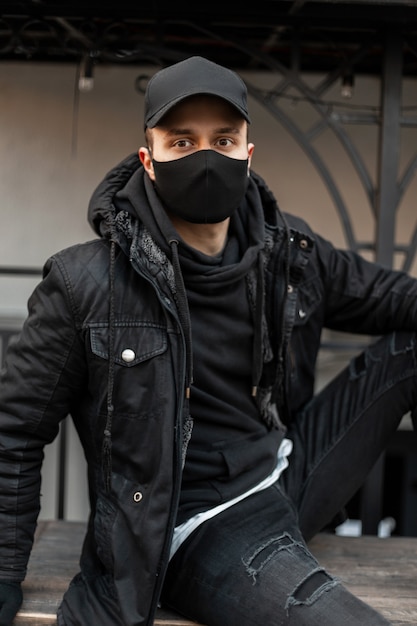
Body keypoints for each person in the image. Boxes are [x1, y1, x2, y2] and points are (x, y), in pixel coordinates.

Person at [0, 55, 416, 626]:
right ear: (149, 160)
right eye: (182, 141)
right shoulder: (84, 284)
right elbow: (15, 431)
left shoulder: (289, 252)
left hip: (284, 471)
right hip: (192, 525)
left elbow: (396, 298)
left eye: (223, 140)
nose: (205, 157)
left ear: (249, 153)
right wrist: (2, 576)